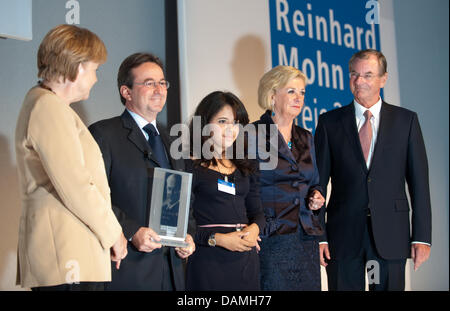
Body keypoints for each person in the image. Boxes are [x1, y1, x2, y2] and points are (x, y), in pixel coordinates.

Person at [15, 24, 127, 291]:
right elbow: (75, 185)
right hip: (66, 257)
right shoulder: (48, 107)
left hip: (72, 253)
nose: (96, 79)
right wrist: (114, 233)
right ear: (78, 68)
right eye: (94, 70)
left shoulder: (49, 105)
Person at [314, 49, 432, 291]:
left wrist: (421, 236)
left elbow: (419, 183)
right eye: (354, 75)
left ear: (383, 79)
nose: (359, 81)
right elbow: (317, 184)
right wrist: (320, 235)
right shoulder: (329, 123)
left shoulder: (406, 121)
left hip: (392, 234)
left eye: (368, 75)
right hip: (343, 237)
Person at [89, 52, 195, 290]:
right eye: (149, 83)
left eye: (162, 83)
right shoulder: (104, 135)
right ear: (126, 92)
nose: (159, 89)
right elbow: (92, 196)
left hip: (172, 271)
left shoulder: (172, 141)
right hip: (128, 270)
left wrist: (187, 234)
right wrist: (130, 230)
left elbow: (185, 201)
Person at [253, 65, 325, 291]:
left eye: (302, 92)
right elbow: (247, 187)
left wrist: (317, 197)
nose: (299, 98)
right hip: (271, 238)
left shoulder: (306, 137)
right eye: (292, 91)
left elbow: (315, 182)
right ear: (272, 95)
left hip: (305, 239)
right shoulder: (252, 134)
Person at [185, 91, 265, 291]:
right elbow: (183, 224)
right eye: (222, 121)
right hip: (208, 261)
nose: (230, 129)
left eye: (235, 122)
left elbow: (258, 213)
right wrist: (218, 239)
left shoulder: (246, 165)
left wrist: (254, 229)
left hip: (246, 262)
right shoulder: (189, 165)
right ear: (204, 123)